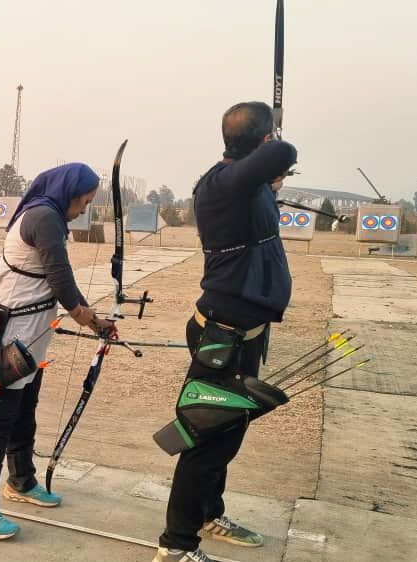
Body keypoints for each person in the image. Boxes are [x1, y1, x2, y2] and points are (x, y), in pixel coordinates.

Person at [153, 102, 297, 562]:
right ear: (262, 140)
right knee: (207, 441)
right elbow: (283, 153)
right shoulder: (222, 184)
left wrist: (269, 174)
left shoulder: (246, 184)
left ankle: (208, 514)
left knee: (226, 432)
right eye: (269, 135)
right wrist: (275, 148)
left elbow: (270, 167)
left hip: (242, 334)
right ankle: (176, 546)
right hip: (222, 337)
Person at [0, 163, 116, 540]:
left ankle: (21, 480)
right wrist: (91, 319)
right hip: (10, 336)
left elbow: (59, 280)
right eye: (84, 201)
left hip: (31, 336)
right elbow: (60, 278)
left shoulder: (50, 216)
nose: (84, 209)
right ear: (69, 192)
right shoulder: (44, 217)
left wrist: (95, 320)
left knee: (23, 411)